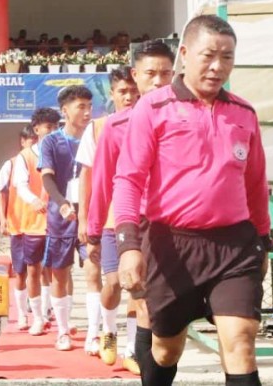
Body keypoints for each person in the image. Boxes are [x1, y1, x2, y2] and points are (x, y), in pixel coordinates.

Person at [116, 16, 269, 386]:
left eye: (228, 57)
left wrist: (262, 241)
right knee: (166, 348)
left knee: (240, 342)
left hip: (234, 246)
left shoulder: (244, 114)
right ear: (184, 54)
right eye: (209, 56)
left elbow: (255, 184)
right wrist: (128, 245)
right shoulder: (151, 109)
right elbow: (129, 179)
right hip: (171, 246)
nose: (218, 67)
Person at [85, 42, 176, 373]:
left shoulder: (182, 119)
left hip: (156, 226)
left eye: (165, 74)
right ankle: (108, 331)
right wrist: (93, 232)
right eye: (150, 74)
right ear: (137, 77)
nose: (158, 81)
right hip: (117, 225)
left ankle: (134, 352)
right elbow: (100, 181)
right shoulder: (113, 127)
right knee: (112, 287)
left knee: (143, 297)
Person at [75, 67, 139, 361]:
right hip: (113, 219)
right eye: (123, 91)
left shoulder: (151, 121)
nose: (129, 96)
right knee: (113, 282)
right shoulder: (99, 128)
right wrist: (86, 223)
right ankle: (109, 332)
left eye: (133, 91)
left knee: (139, 286)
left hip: (145, 219)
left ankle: (134, 346)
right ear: (112, 94)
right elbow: (89, 179)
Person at [39, 86, 94, 352]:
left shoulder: (96, 136)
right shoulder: (51, 141)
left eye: (89, 106)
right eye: (80, 106)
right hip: (61, 217)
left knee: (96, 270)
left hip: (90, 215)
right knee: (60, 273)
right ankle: (62, 330)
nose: (86, 112)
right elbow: (46, 178)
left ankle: (95, 333)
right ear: (65, 111)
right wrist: (61, 203)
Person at [13, 108, 60, 335]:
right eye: (47, 127)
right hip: (33, 222)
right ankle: (38, 317)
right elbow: (20, 186)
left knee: (56, 270)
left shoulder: (63, 151)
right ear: (37, 129)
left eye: (55, 127)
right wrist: (34, 201)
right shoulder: (25, 157)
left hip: (58, 221)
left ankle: (54, 313)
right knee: (33, 270)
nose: (52, 131)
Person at [0, 126, 39, 331]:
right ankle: (22, 314)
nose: (32, 142)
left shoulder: (47, 161)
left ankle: (41, 314)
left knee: (40, 272)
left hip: (41, 226)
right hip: (19, 225)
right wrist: (3, 219)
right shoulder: (11, 164)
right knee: (20, 272)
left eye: (35, 139)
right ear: (22, 141)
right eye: (29, 139)